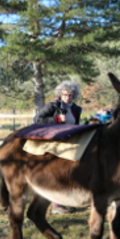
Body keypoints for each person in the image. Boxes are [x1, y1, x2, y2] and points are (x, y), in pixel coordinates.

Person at [33, 80, 82, 215]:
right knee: (58, 173)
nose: (67, 97)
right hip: (53, 142)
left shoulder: (76, 109)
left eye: (70, 95)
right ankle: (56, 205)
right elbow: (38, 120)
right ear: (60, 94)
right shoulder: (53, 105)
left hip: (70, 143)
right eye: (65, 94)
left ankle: (66, 202)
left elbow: (75, 125)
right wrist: (56, 120)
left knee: (71, 173)